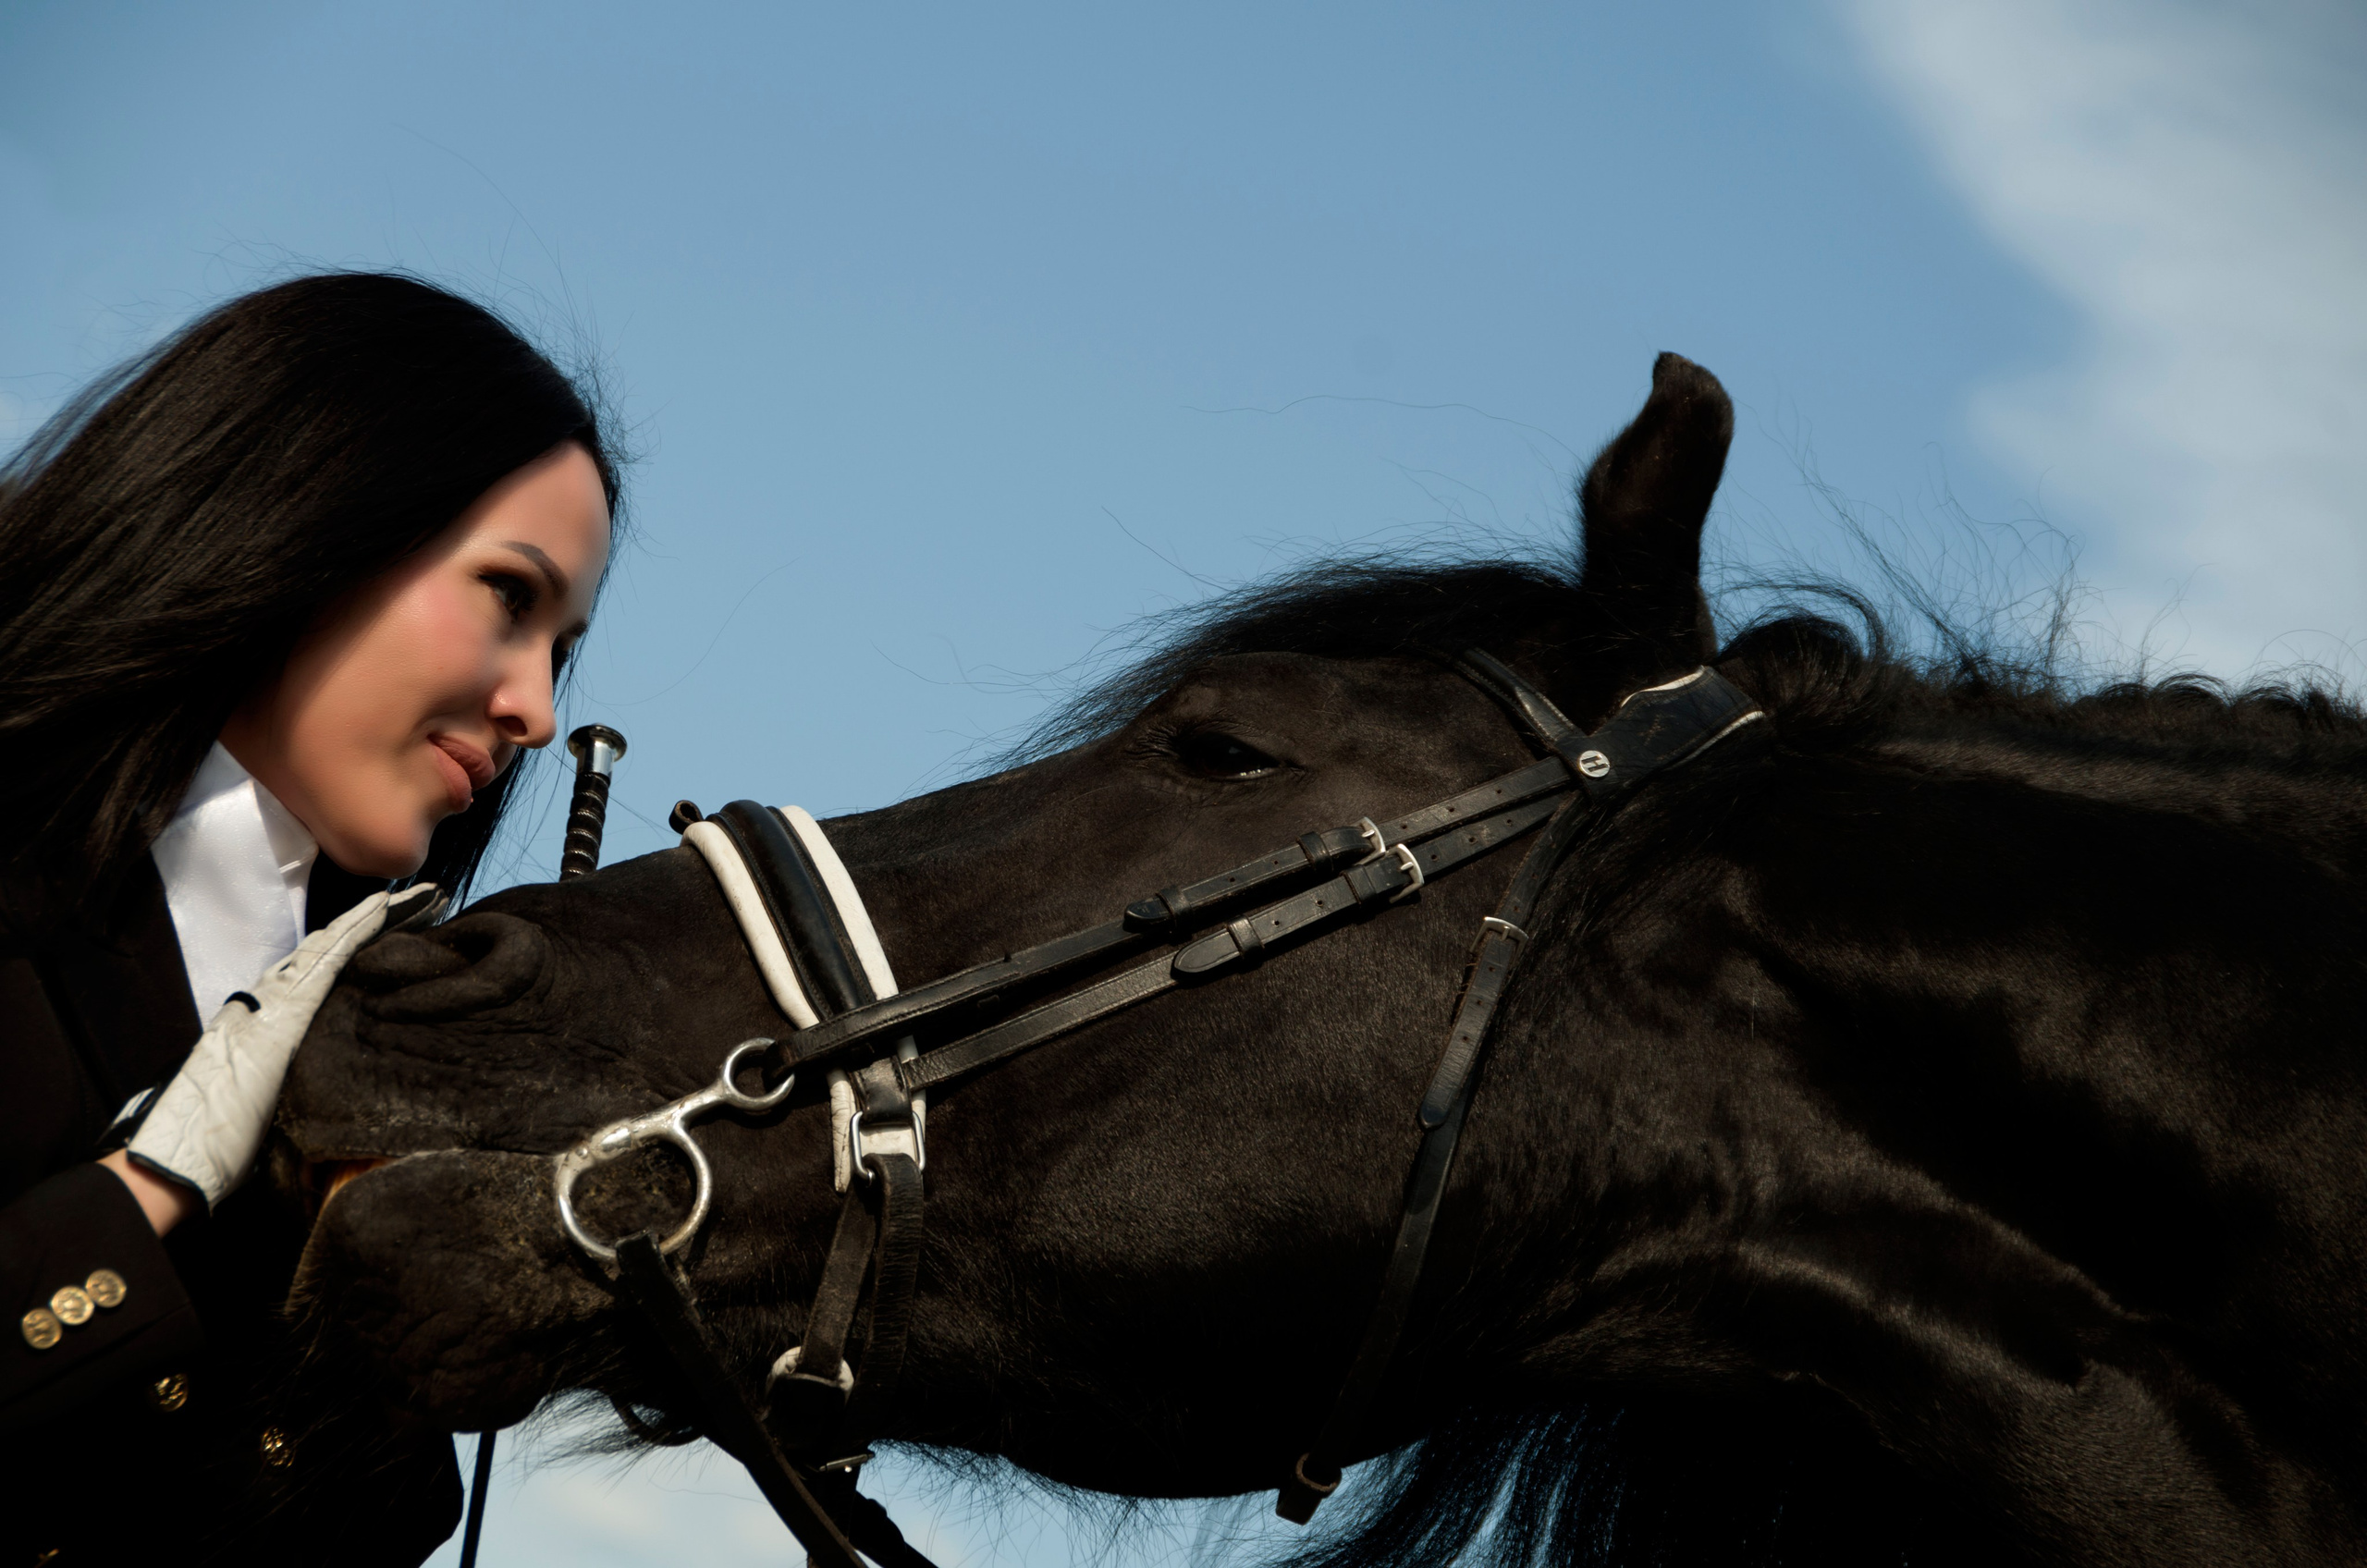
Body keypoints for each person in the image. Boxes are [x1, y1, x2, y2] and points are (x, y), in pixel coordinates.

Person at [0, 273, 619, 1565]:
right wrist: (148, 1189)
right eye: (511, 596)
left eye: (560, 653)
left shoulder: (362, 1059)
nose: (537, 711)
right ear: (310, 509)